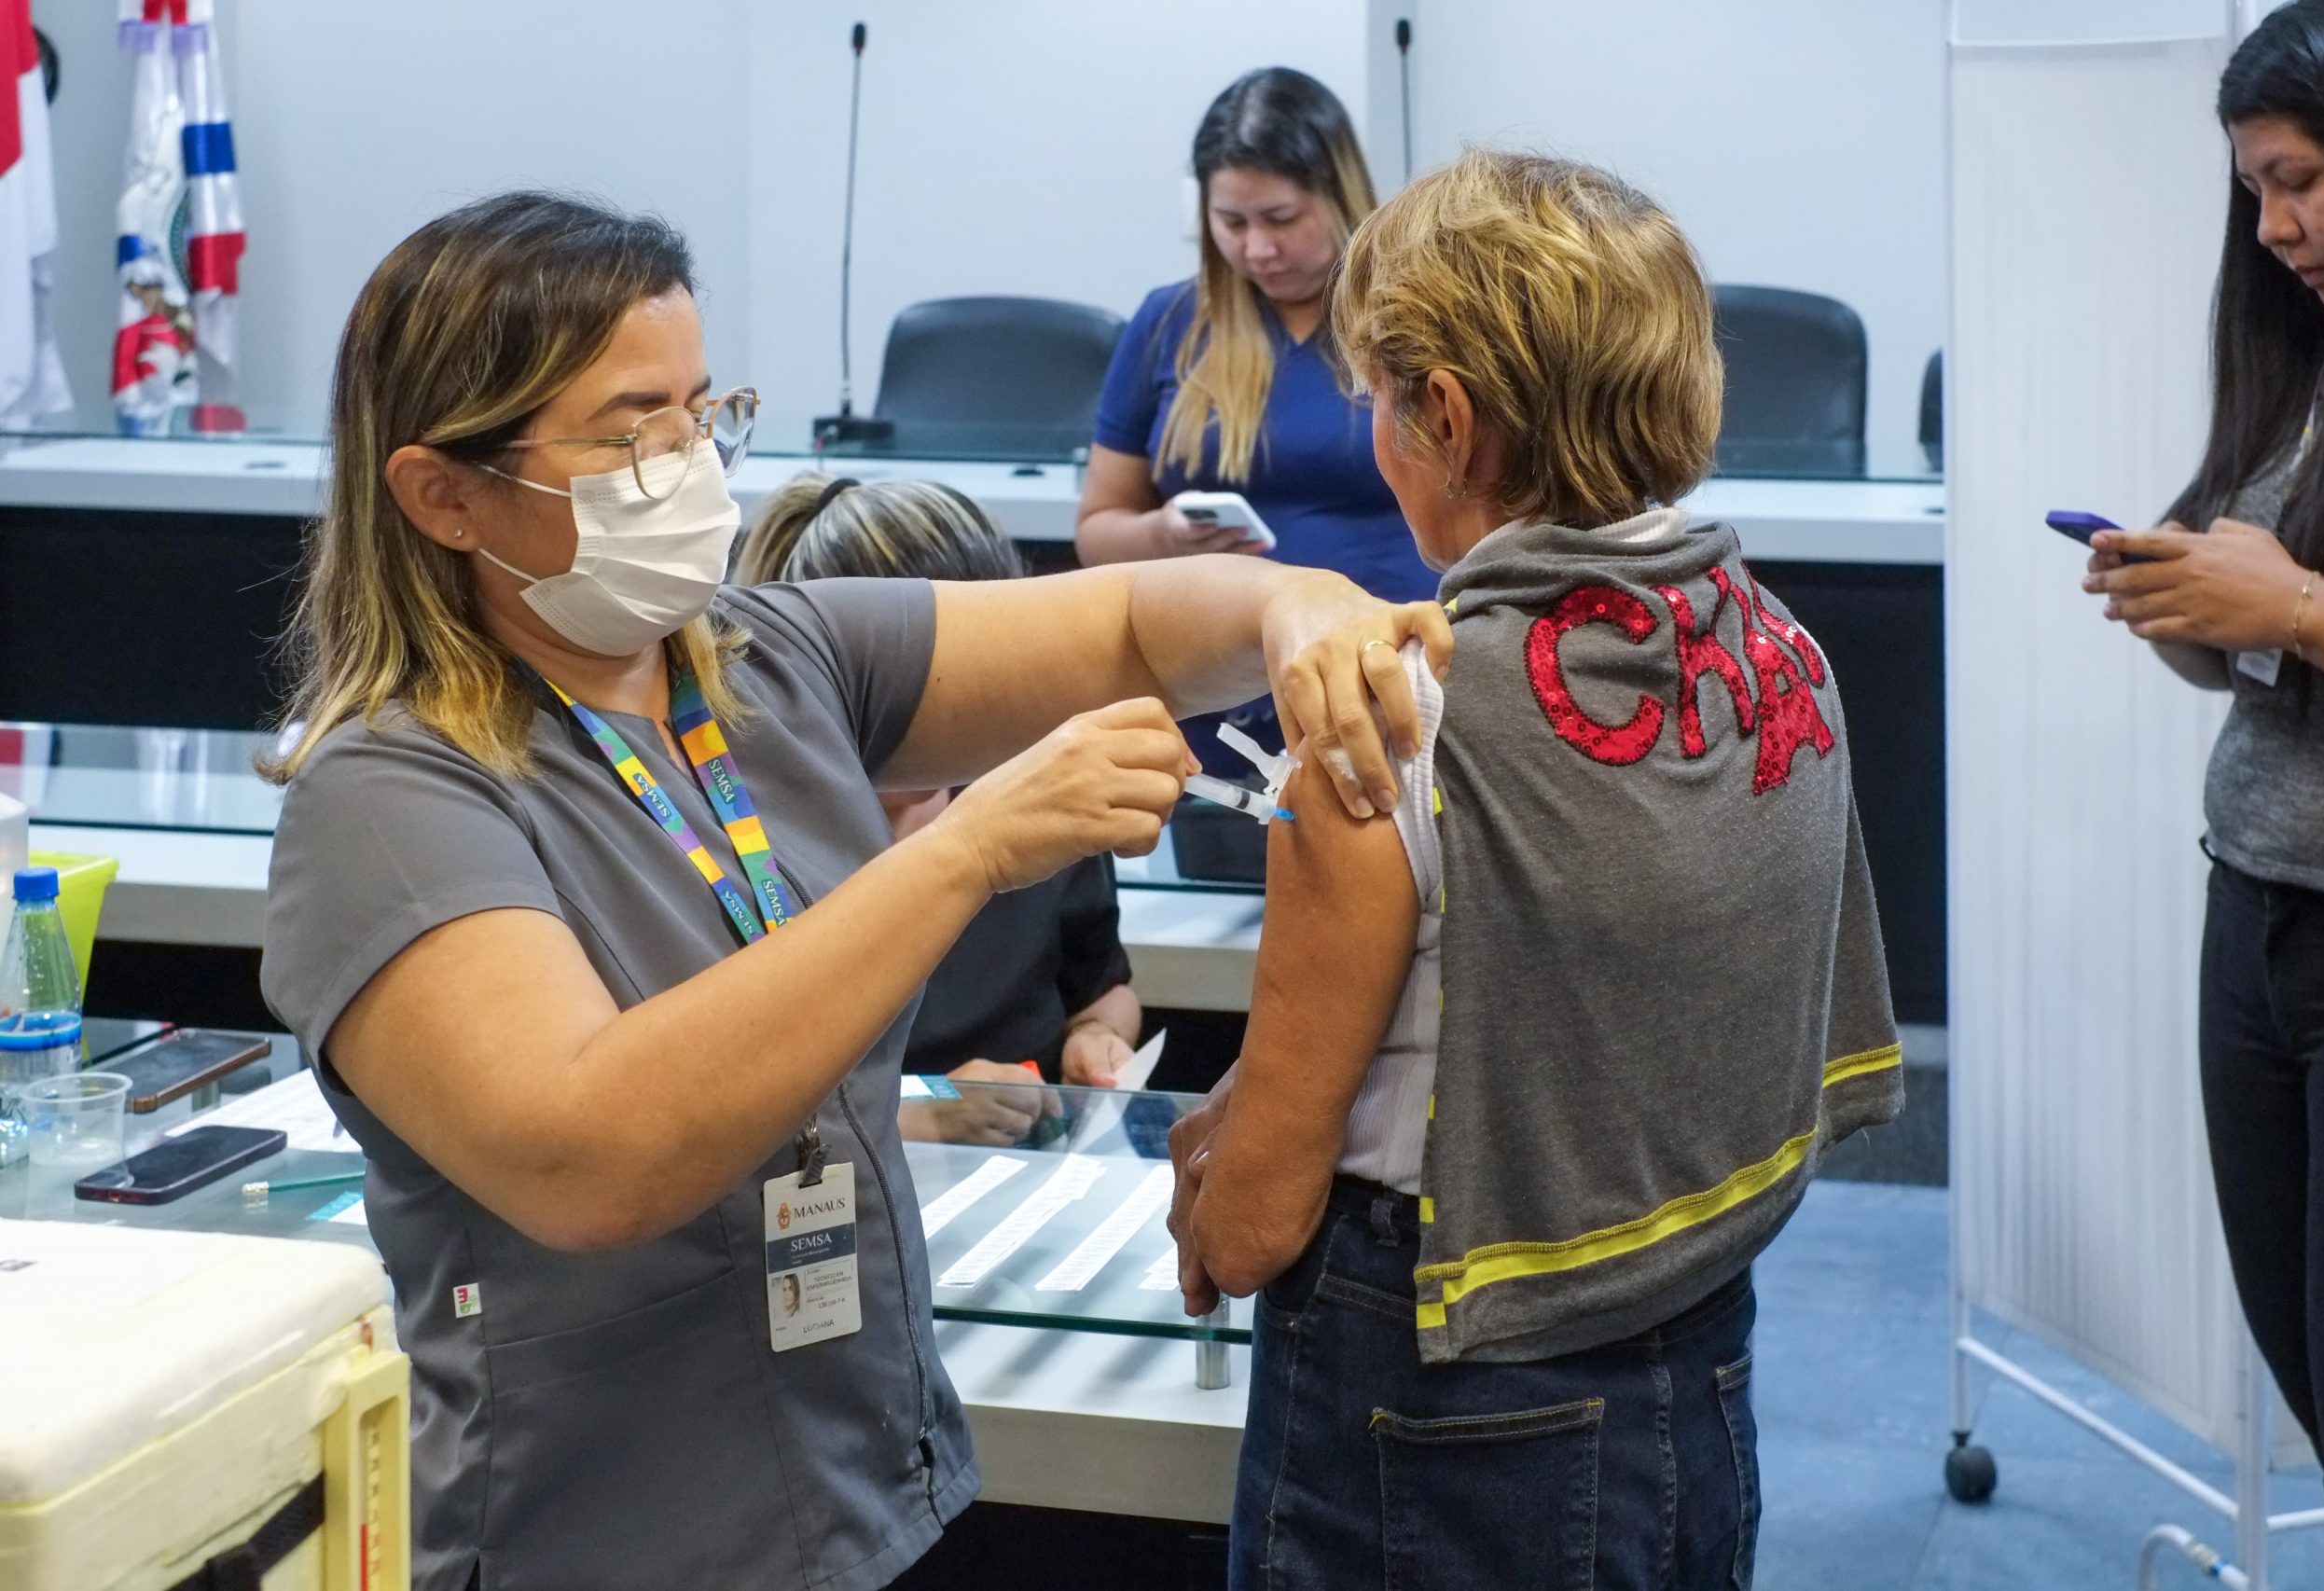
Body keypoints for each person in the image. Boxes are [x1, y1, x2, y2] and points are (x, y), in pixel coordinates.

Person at [257, 191, 1447, 1591]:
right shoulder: (390, 798)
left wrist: (1293, 607)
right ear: (440, 491)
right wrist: (964, 851)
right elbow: (591, 1148)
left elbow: (1129, 620)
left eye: (703, 414)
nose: (688, 464)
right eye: (632, 433)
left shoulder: (766, 661)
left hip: (876, 1492)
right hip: (611, 1542)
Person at [1165, 150, 1902, 1590]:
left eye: (1382, 395)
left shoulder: (1393, 726)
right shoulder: (1777, 652)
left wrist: (1215, 1156)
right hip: (1703, 1356)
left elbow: (1252, 1224)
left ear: (1445, 415)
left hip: (1433, 1386)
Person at [2079, 5, 2324, 1580]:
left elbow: (2322, 626)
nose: (2271, 232)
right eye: (2253, 192)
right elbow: (2281, 660)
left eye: (2300, 185)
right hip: (2259, 917)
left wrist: (2295, 608)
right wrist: (2193, 607)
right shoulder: (2317, 361)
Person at [735, 472, 1142, 1149]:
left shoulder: (1040, 797)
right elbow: (722, 1102)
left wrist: (1096, 1040)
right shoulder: (753, 841)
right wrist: (923, 1115)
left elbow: (1102, 990)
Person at [1077, 66, 1435, 778]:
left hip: (1388, 690)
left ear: (1340, 196)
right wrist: (1164, 535)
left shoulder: (1413, 320)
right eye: (1230, 223)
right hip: (1211, 702)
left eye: (1280, 219)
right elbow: (1096, 532)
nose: (1257, 250)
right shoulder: (1169, 323)